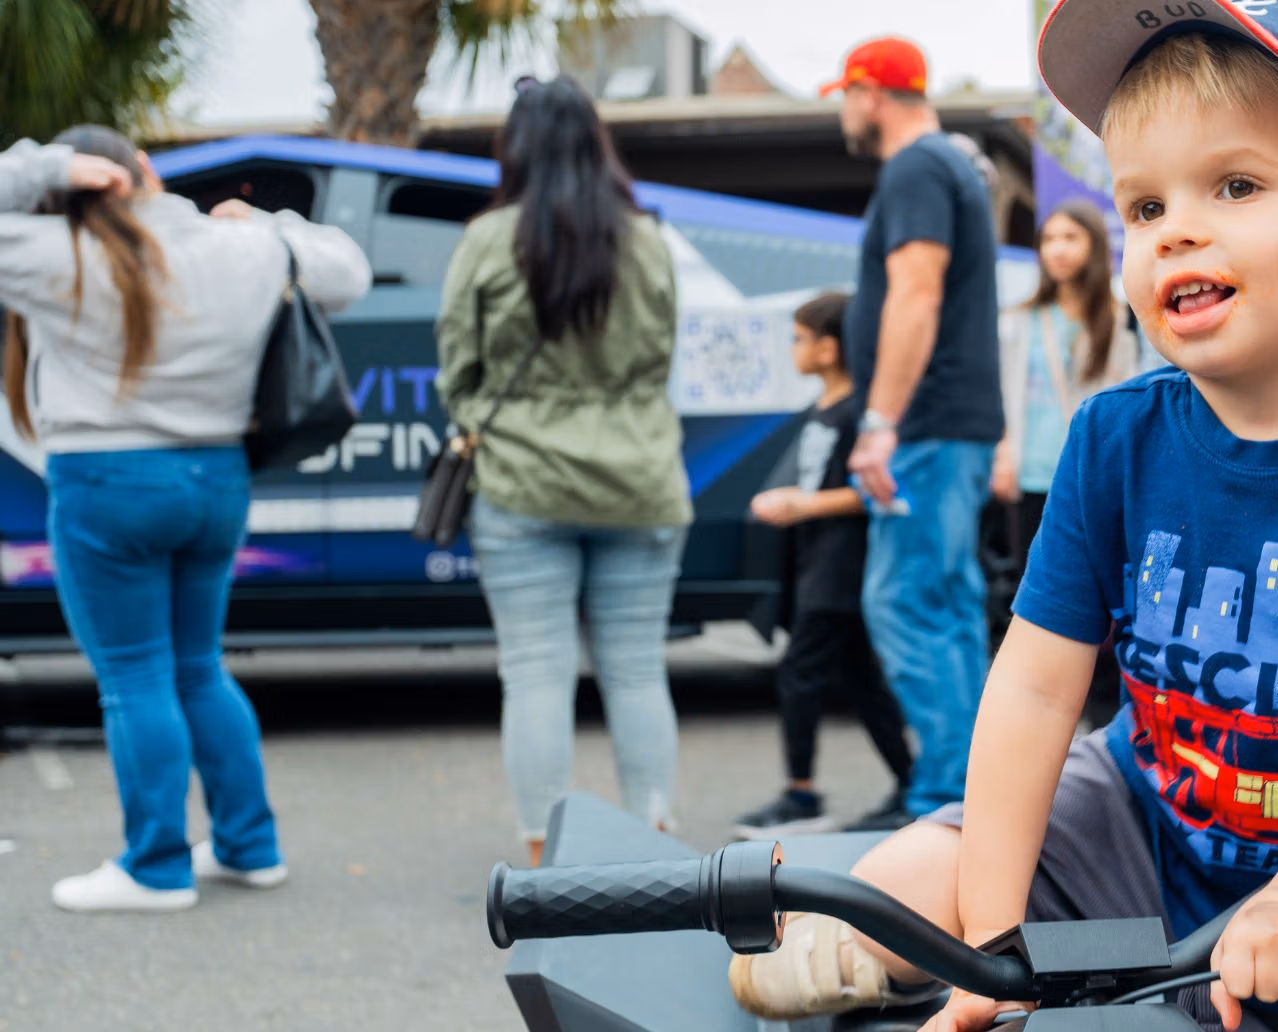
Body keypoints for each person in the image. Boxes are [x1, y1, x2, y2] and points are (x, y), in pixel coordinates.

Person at [728, 0, 1278, 1031]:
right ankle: (862, 933)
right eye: (1144, 203)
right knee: (892, 902)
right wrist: (990, 946)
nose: (1172, 229)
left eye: (1237, 186)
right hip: (1130, 813)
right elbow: (1034, 691)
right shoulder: (1115, 434)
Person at [0, 127, 371, 912]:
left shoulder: (59, 253)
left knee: (134, 674)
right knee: (198, 665)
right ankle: (248, 846)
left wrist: (38, 169)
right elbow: (350, 270)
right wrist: (274, 225)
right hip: (218, 479)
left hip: (109, 482)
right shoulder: (240, 247)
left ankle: (156, 867)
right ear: (147, 170)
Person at [435, 76, 692, 866]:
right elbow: (660, 354)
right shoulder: (647, 237)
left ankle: (547, 854)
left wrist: (494, 421)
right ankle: (652, 843)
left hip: (522, 479)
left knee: (537, 674)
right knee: (637, 670)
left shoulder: (487, 239)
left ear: (516, 145)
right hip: (642, 478)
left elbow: (457, 368)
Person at [819, 36, 1004, 827]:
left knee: (905, 602)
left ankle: (943, 799)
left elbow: (916, 293)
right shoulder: (949, 167)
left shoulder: (918, 168)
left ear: (869, 94)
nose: (842, 113)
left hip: (923, 428)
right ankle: (967, 788)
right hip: (947, 425)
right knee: (948, 604)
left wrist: (879, 424)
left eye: (844, 96)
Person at [734, 292, 917, 837]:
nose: (793, 348)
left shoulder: (860, 414)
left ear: (829, 347)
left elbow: (874, 492)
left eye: (799, 338)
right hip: (816, 558)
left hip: (843, 562)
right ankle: (912, 781)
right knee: (863, 680)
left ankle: (801, 796)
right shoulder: (822, 411)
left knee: (799, 673)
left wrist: (801, 504)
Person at [986, 198, 1136, 722]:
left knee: (1108, 595)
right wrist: (1004, 453)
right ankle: (1051, 714)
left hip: (1094, 475)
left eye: (1071, 238)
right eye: (1049, 240)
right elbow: (1005, 394)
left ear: (1094, 246)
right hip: (1033, 473)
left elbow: (1124, 393)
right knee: (1049, 597)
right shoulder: (1021, 319)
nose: (1058, 250)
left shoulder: (1117, 317)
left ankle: (1105, 714)